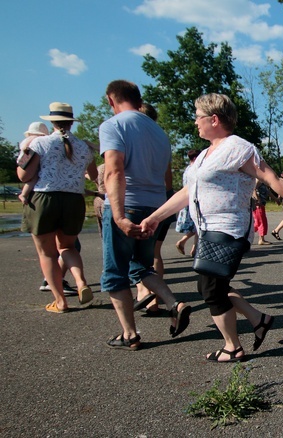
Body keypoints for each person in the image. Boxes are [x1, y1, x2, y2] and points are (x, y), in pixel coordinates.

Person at [141, 93, 283, 362]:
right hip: (207, 229)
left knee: (211, 287)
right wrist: (155, 217)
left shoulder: (238, 148)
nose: (195, 122)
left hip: (229, 228)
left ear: (214, 119)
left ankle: (233, 347)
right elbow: (188, 191)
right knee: (211, 285)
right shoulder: (204, 155)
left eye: (198, 117)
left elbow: (271, 178)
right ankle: (257, 319)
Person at [99, 80, 191, 350]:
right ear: (139, 99)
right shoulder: (159, 132)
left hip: (126, 203)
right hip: (155, 207)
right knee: (141, 266)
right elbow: (166, 177)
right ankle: (175, 303)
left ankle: (129, 334)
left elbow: (114, 171)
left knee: (115, 272)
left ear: (110, 100)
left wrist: (118, 216)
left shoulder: (113, 125)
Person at [16, 102, 98, 313]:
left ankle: (60, 301)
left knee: (48, 253)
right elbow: (94, 176)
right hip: (73, 200)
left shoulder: (39, 144)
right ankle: (80, 282)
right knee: (67, 247)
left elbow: (24, 175)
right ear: (71, 122)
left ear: (51, 121)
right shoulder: (84, 146)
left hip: (45, 198)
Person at [134, 102, 176, 315]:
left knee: (133, 255)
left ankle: (143, 292)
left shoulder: (132, 139)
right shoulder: (162, 140)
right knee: (155, 253)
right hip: (162, 200)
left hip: (137, 202)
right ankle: (155, 300)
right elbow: (168, 181)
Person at [16, 121, 49, 204]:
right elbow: (26, 150)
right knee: (33, 179)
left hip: (26, 160)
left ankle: (23, 194)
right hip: (29, 160)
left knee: (31, 180)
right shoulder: (36, 141)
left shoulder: (28, 139)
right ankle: (23, 194)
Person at [175, 150, 200, 255]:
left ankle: (195, 249)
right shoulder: (195, 169)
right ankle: (183, 241)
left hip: (187, 200)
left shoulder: (187, 170)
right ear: (195, 158)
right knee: (198, 225)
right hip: (194, 200)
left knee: (196, 226)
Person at [253, 179, 274, 245]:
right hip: (258, 205)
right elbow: (253, 189)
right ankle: (261, 240)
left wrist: (275, 199)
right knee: (262, 221)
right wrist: (257, 199)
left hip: (261, 204)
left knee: (257, 223)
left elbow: (267, 191)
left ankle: (244, 235)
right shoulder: (258, 180)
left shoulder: (262, 180)